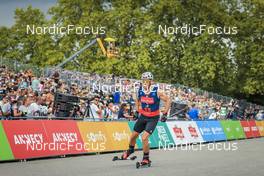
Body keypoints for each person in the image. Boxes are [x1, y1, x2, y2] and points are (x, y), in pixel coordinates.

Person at [121, 72, 171, 165]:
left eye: (147, 80)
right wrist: (137, 111)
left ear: (151, 81)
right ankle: (130, 150)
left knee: (144, 138)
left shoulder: (157, 91)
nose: (145, 82)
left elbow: (168, 100)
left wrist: (165, 113)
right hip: (143, 116)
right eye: (143, 80)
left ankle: (146, 158)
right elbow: (137, 101)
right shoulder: (139, 90)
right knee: (133, 136)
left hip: (153, 118)